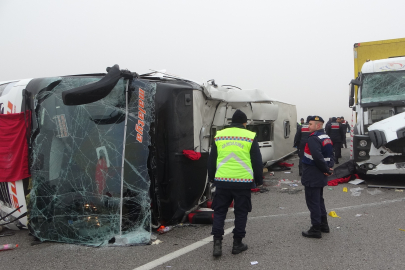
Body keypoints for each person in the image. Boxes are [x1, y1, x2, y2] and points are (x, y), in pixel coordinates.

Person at [208, 109, 263, 257]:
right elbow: (257, 160)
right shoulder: (250, 136)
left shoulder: (220, 135)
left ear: (232, 122)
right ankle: (237, 244)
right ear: (244, 123)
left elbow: (212, 159)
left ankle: (217, 245)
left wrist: (212, 177)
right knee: (241, 212)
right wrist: (258, 180)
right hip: (243, 181)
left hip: (222, 181)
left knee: (219, 212)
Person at [301, 116, 334, 238]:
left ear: (318, 126)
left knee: (312, 201)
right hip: (321, 173)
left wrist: (325, 169)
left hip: (312, 173)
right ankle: (324, 225)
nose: (308, 126)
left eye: (310, 124)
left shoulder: (313, 138)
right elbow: (331, 155)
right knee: (319, 200)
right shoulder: (326, 137)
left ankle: (315, 229)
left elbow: (317, 156)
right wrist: (328, 168)